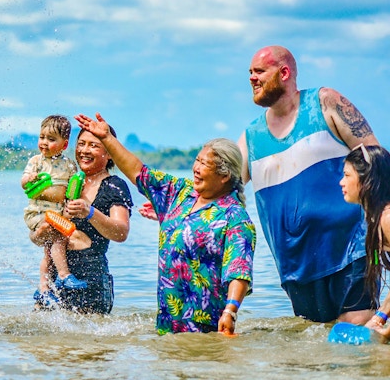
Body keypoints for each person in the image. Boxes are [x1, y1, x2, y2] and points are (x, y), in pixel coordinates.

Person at [74, 111, 256, 335]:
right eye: (197, 160)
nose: (196, 168)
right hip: (167, 326)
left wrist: (231, 310)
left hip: (207, 329)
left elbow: (239, 271)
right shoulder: (179, 193)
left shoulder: (234, 217)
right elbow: (139, 172)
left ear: (224, 175)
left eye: (204, 164)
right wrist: (107, 138)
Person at [239, 45, 379, 324]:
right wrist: (177, 205)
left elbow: (375, 158)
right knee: (314, 347)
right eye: (250, 73)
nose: (252, 78)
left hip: (353, 250)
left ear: (284, 72)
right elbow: (223, 188)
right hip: (295, 267)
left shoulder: (325, 103)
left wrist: (382, 221)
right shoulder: (251, 137)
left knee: (355, 326)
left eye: (259, 71)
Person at [54, 123, 133, 314]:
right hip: (56, 276)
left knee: (92, 343)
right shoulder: (67, 180)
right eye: (81, 144)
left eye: (93, 145)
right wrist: (38, 232)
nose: (84, 150)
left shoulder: (114, 186)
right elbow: (42, 236)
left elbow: (121, 232)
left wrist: (90, 212)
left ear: (110, 154)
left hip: (91, 280)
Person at [22, 115, 87, 308]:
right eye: (42, 137)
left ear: (64, 144)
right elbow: (23, 182)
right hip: (37, 214)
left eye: (51, 139)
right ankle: (64, 275)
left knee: (49, 254)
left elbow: (72, 190)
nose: (44, 142)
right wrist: (30, 178)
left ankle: (43, 291)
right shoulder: (36, 161)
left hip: (57, 214)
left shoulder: (68, 165)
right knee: (59, 239)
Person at [340, 144, 390, 338]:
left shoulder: (387, 220)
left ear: (366, 179)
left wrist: (386, 333)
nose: (341, 182)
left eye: (347, 175)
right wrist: (378, 319)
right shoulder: (375, 219)